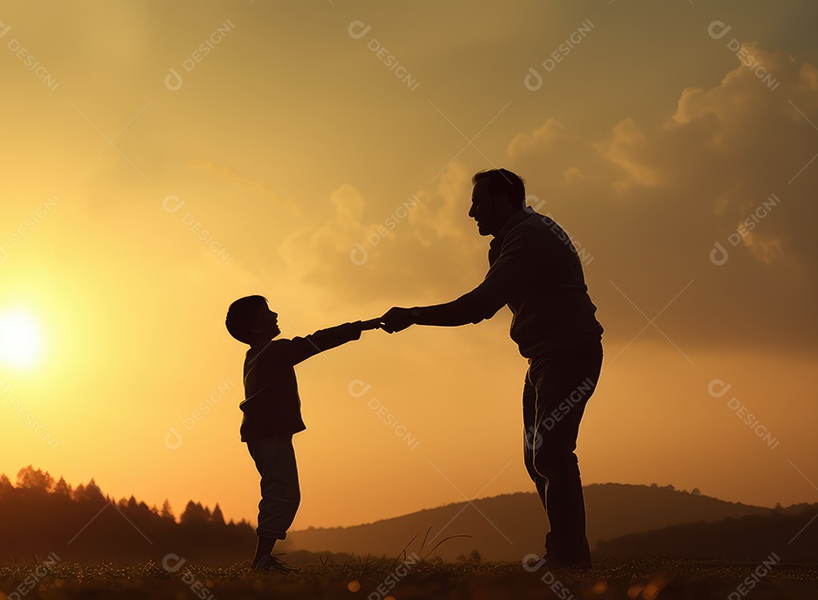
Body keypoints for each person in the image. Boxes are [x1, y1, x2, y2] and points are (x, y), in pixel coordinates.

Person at [380, 168, 603, 569]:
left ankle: (569, 556)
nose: (471, 213)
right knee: (539, 458)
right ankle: (568, 552)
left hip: (568, 353)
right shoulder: (511, 239)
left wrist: (414, 314)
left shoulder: (528, 235)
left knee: (551, 454)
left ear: (504, 199)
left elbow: (479, 307)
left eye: (478, 203)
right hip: (543, 357)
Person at [226, 295, 380, 573]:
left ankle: (262, 560)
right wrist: (365, 325)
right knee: (282, 494)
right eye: (268, 312)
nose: (275, 315)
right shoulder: (272, 352)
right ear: (256, 327)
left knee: (280, 492)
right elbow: (317, 341)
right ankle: (261, 562)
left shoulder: (255, 356)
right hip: (269, 434)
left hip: (264, 433)